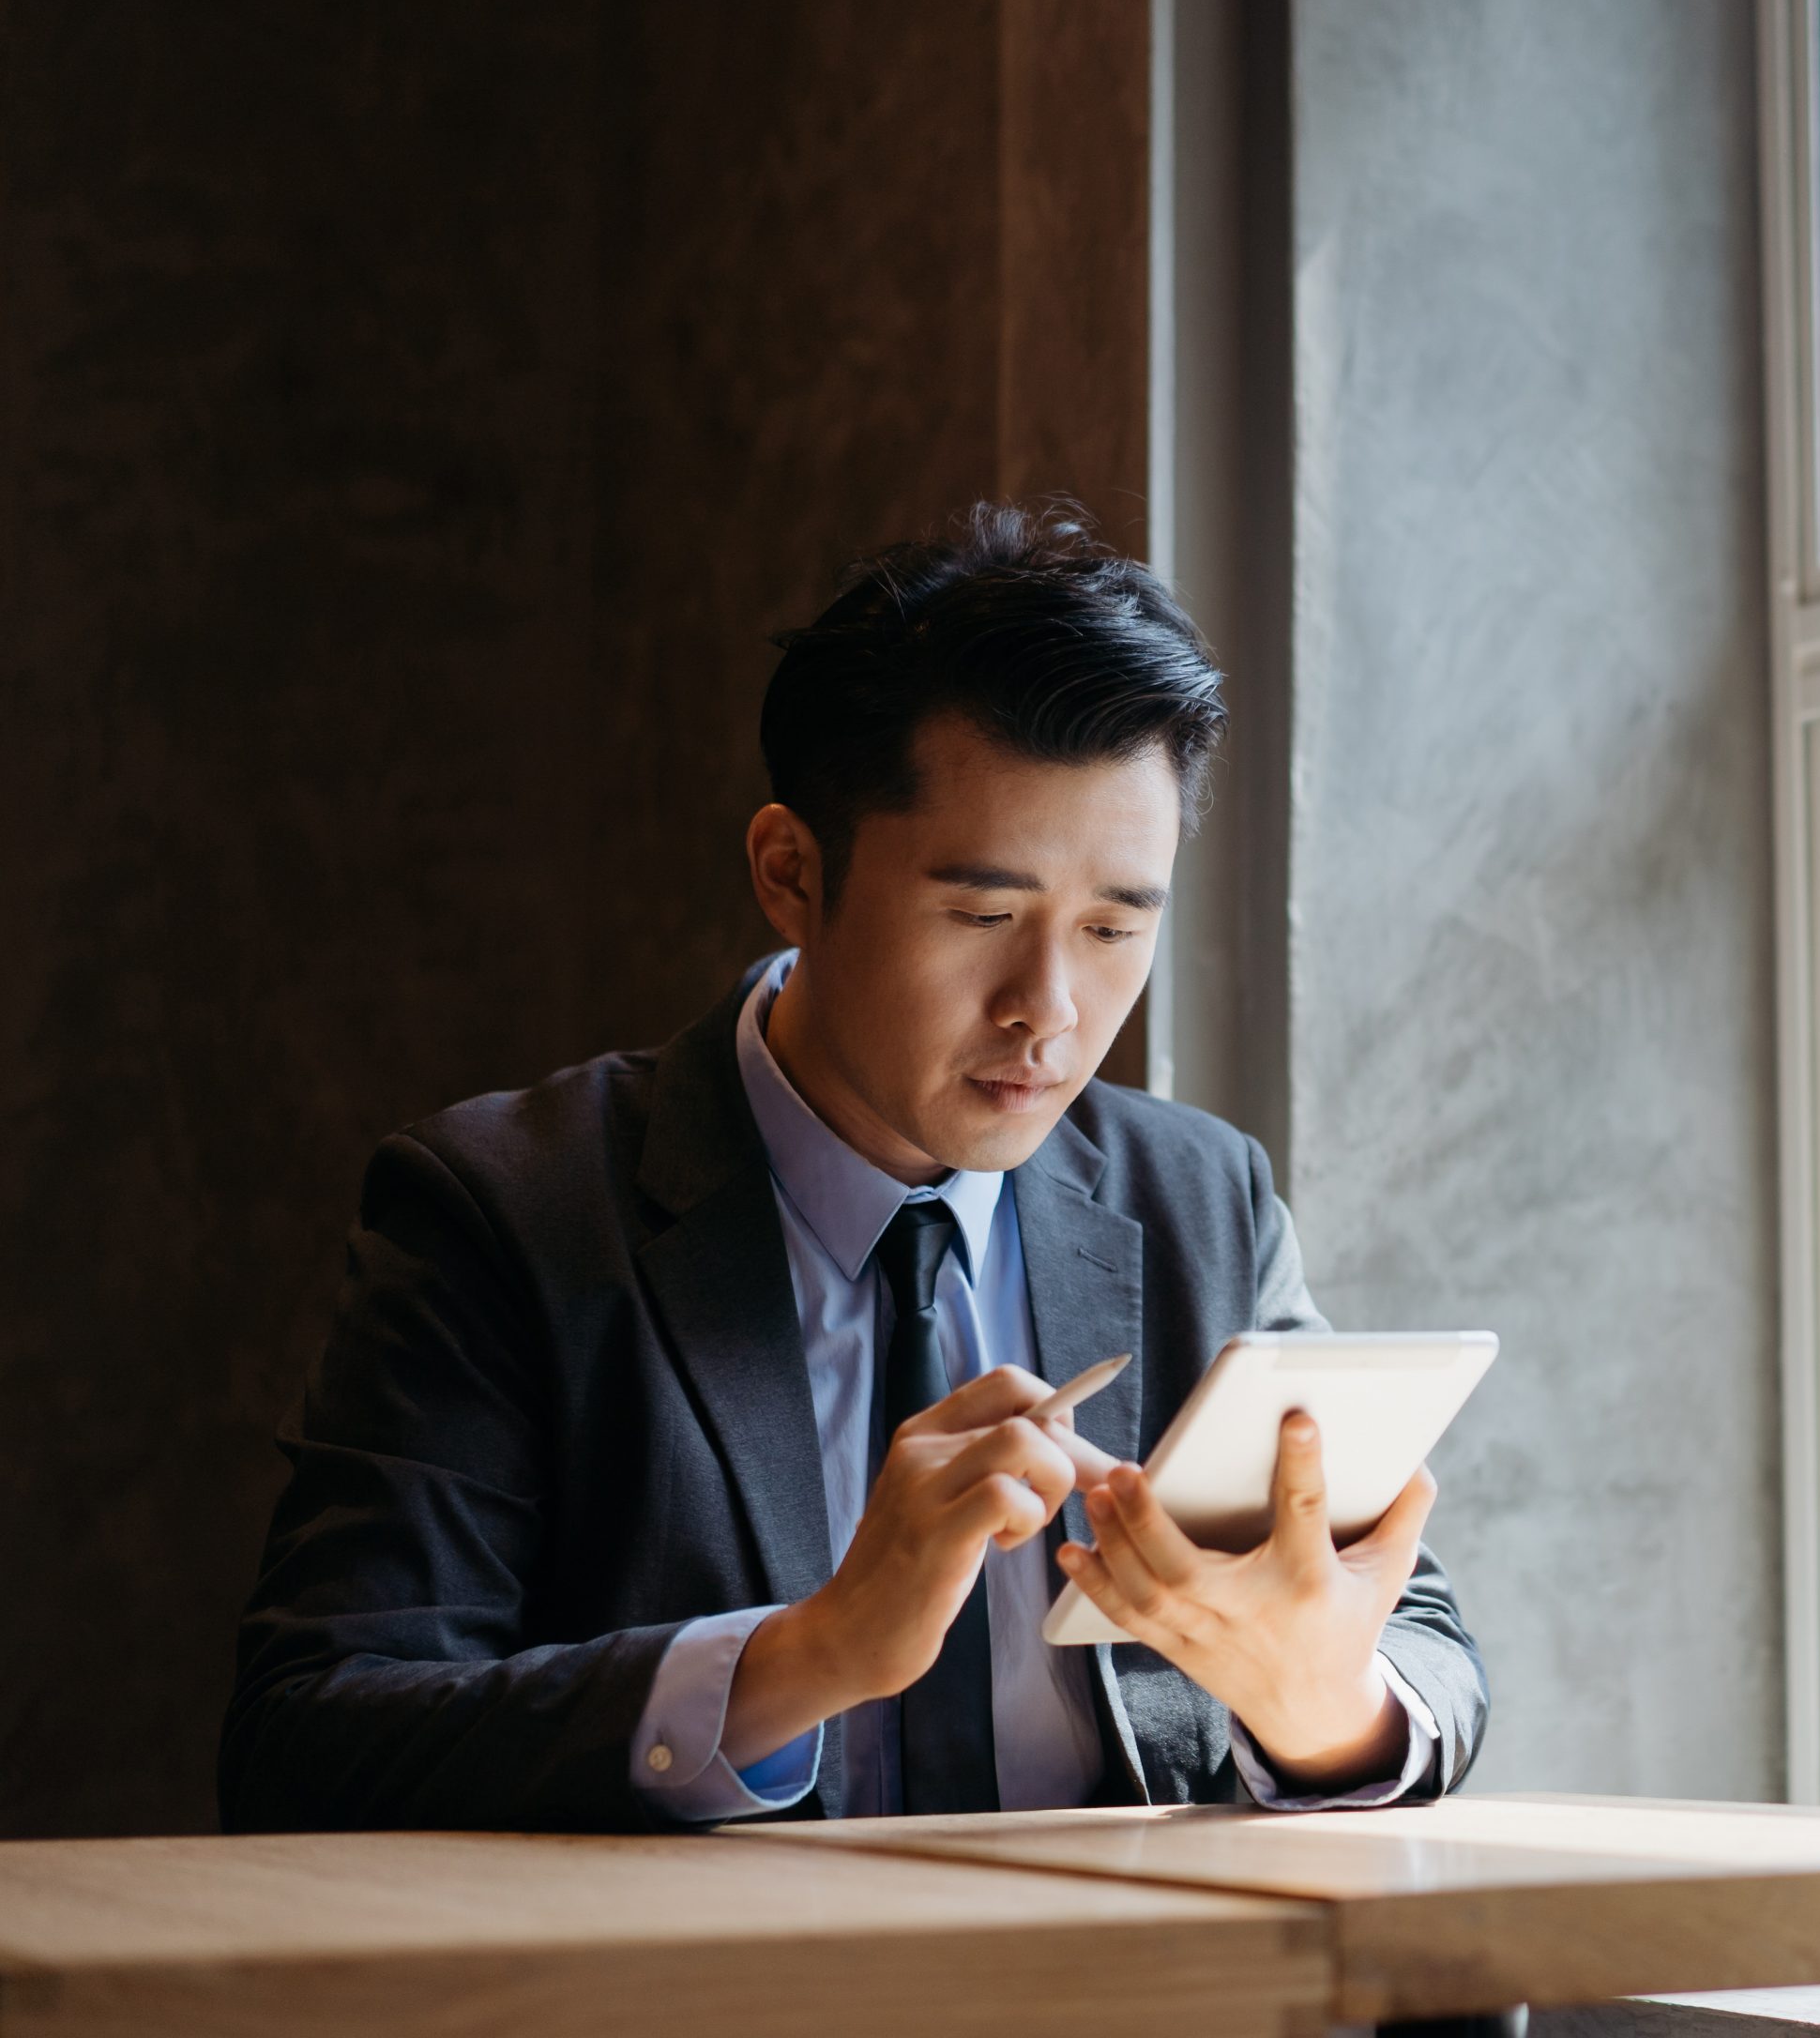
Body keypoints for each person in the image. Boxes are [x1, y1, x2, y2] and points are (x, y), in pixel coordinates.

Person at [223, 502, 1486, 1838]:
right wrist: (809, 1655)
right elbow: (312, 1740)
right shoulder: (506, 1210)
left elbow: (1426, 1653)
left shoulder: (1197, 1200)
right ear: (789, 871)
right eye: (982, 916)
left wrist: (1319, 1702)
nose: (1048, 1009)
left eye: (1116, 926)